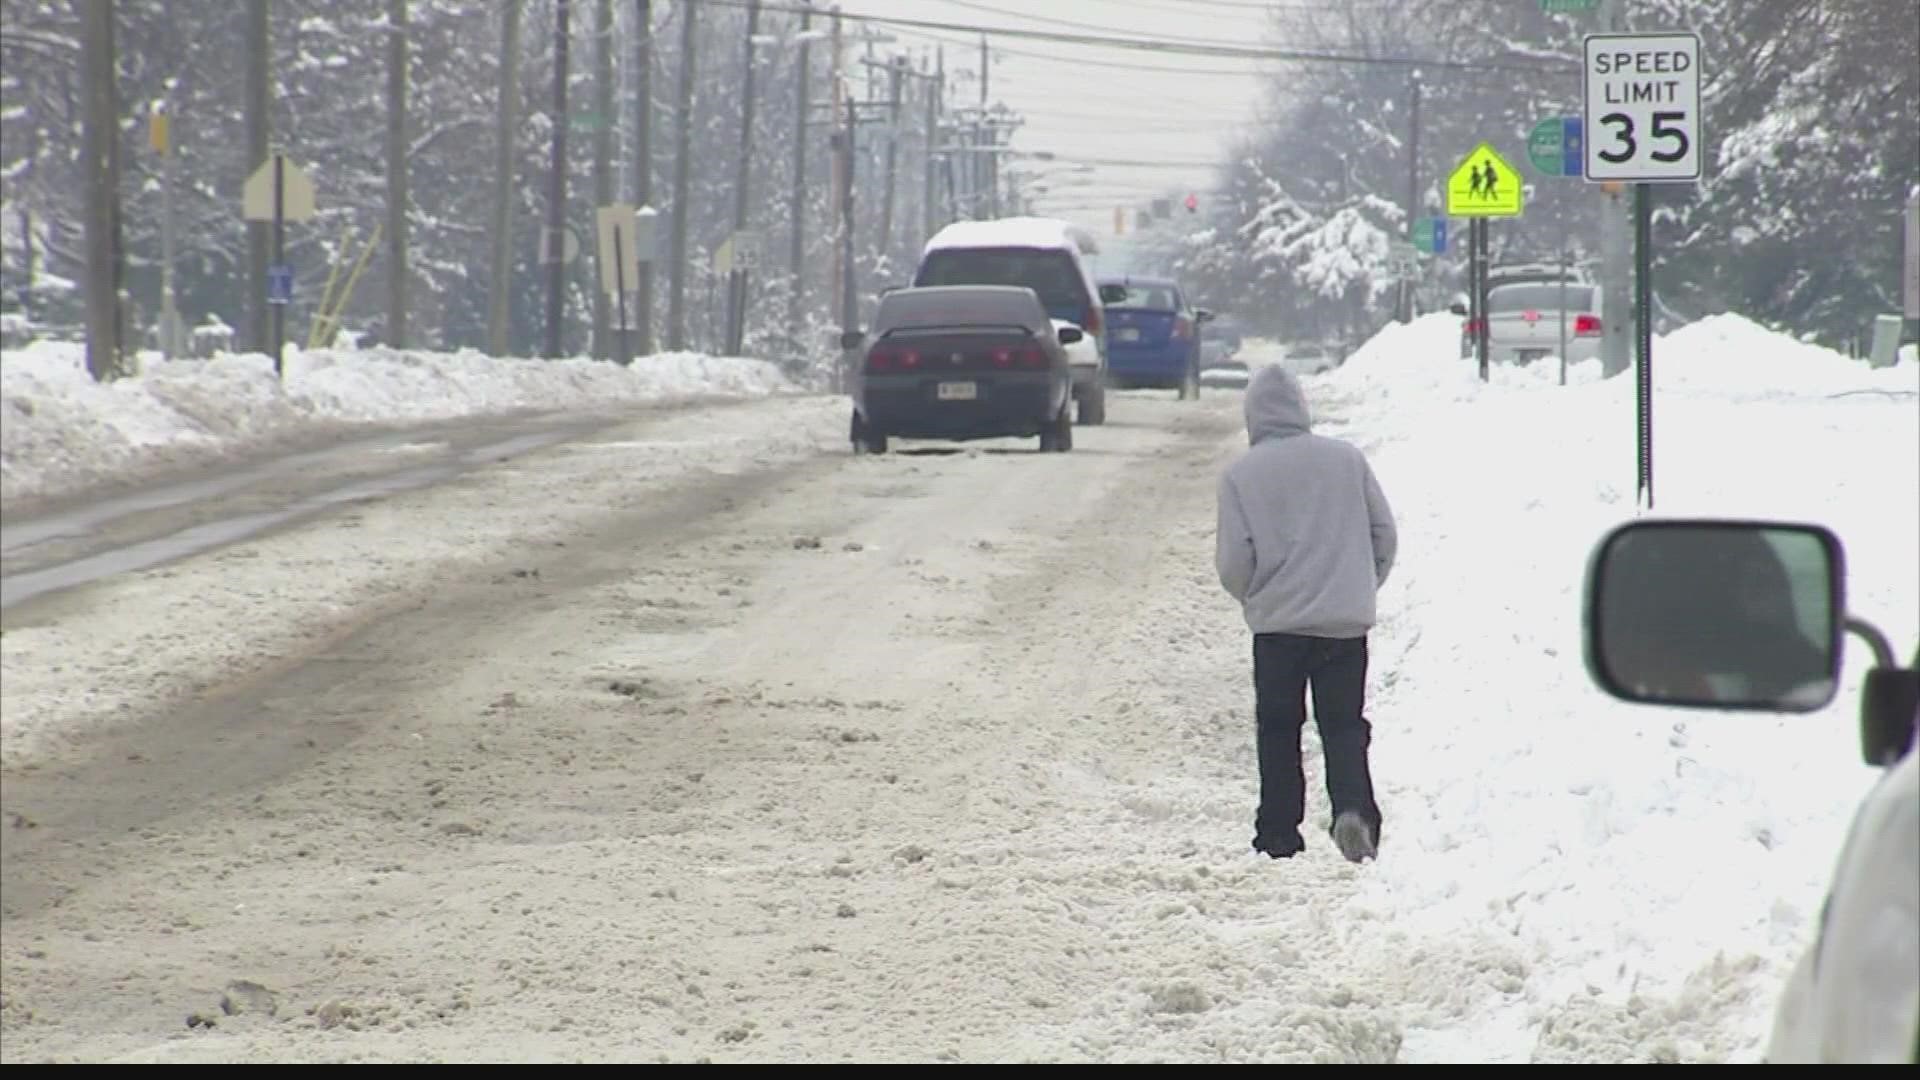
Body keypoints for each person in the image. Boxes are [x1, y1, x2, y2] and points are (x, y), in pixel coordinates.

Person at [1215, 364, 1398, 863]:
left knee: (1278, 727)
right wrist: (1357, 585)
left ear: (1253, 416)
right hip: (1343, 626)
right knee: (1343, 725)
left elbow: (1234, 562)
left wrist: (1257, 598)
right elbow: (1384, 535)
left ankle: (1278, 832)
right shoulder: (1346, 461)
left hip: (1278, 629)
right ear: (1301, 408)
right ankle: (1354, 810)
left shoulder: (1241, 476)